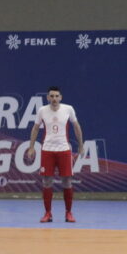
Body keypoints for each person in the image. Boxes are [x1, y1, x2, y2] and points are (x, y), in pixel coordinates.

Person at [25, 86, 83, 223]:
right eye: (51, 96)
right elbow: (35, 128)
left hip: (64, 149)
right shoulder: (42, 110)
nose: (54, 98)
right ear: (48, 97)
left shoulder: (68, 109)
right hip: (47, 150)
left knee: (67, 182)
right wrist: (31, 147)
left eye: (57, 96)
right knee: (47, 182)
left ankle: (68, 213)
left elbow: (76, 126)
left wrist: (81, 145)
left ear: (61, 97)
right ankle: (48, 214)